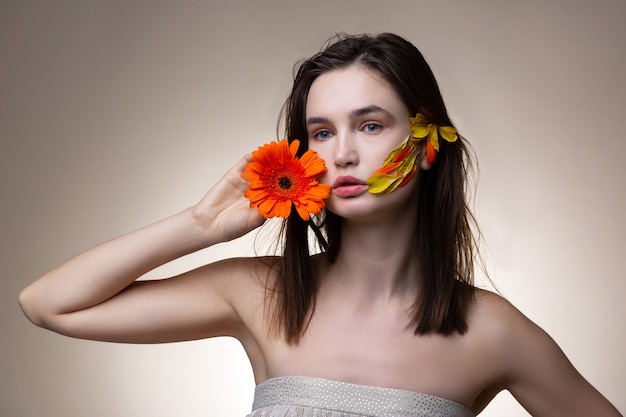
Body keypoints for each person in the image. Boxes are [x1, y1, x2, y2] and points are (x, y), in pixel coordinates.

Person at [19, 32, 621, 417]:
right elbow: (49, 305)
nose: (343, 156)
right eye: (322, 132)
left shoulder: (493, 332)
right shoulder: (260, 295)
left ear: (426, 140)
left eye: (370, 124)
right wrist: (202, 223)